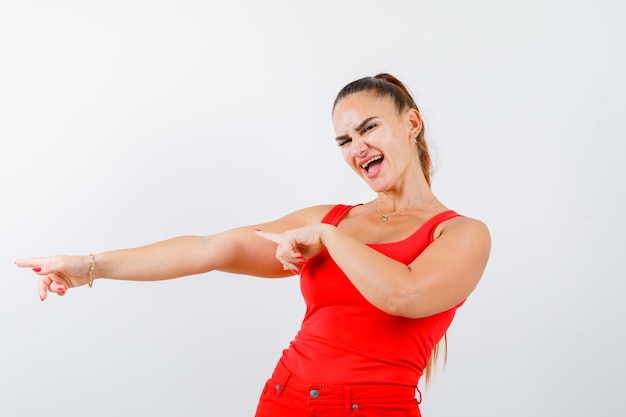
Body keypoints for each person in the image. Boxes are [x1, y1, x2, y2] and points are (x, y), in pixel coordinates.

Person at [16, 73, 491, 417]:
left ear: (411, 123)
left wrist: (327, 238)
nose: (356, 147)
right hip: (285, 399)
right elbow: (209, 248)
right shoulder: (329, 218)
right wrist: (91, 265)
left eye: (369, 128)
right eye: (344, 139)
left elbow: (401, 295)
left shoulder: (460, 233)